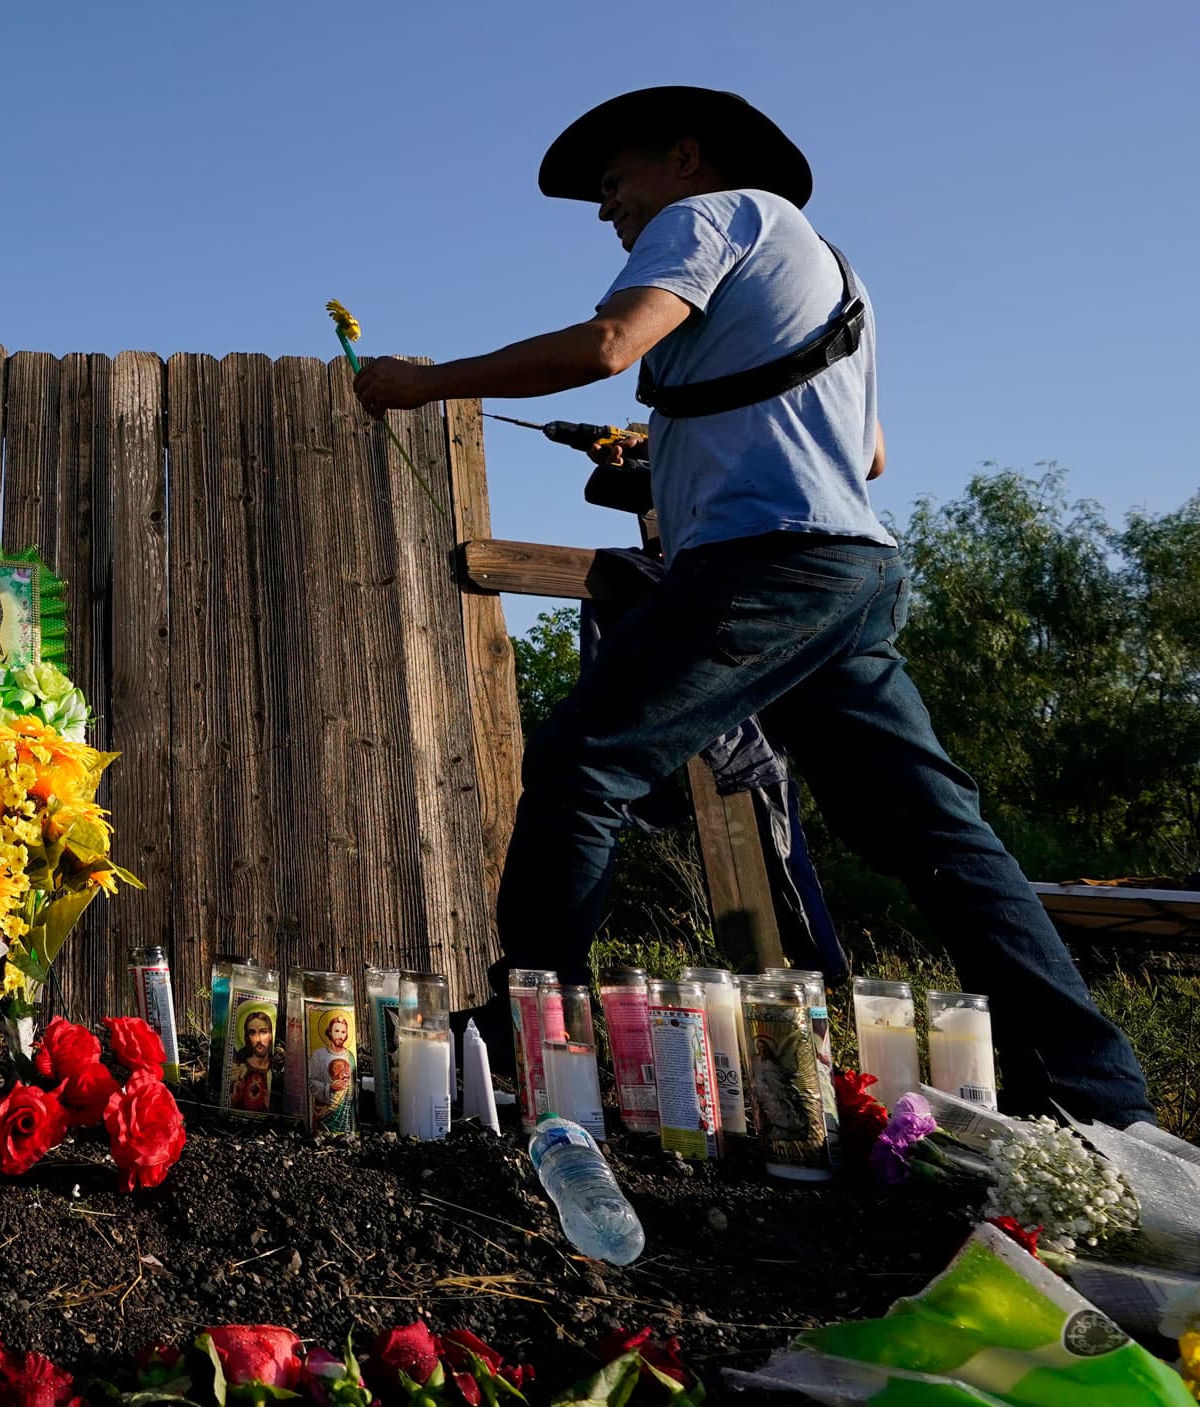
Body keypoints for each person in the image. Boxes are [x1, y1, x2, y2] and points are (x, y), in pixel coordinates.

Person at [349, 86, 1150, 1125]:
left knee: (582, 762)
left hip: (763, 568)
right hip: (848, 576)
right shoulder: (833, 270)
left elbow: (604, 345)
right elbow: (864, 454)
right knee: (935, 831)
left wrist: (425, 382)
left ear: (684, 158)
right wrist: (663, 451)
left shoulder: (714, 215)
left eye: (614, 183)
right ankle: (1095, 1095)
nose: (607, 211)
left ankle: (520, 1037)